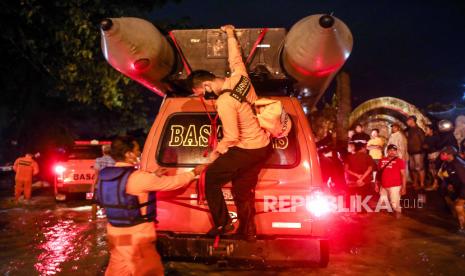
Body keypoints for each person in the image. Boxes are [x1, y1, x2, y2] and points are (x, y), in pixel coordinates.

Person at [186, 24, 272, 240]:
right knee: (242, 189)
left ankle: (223, 225)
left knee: (212, 179)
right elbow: (236, 59)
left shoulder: (224, 101)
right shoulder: (241, 78)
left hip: (248, 148)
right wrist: (231, 34)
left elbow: (232, 137)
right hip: (263, 146)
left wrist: (212, 157)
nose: (204, 97)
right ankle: (248, 230)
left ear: (206, 84)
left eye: (201, 93)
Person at [99, 136, 206, 275]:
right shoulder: (139, 178)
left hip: (115, 233)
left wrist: (153, 175)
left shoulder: (106, 176)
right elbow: (173, 182)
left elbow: (133, 185)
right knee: (149, 271)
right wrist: (194, 173)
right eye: (137, 150)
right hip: (137, 235)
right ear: (128, 154)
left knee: (118, 269)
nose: (139, 153)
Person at [438, 146, 465, 235]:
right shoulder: (447, 163)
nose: (441, 155)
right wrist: (449, 184)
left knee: (458, 206)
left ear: (450, 155)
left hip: (463, 188)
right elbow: (446, 175)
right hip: (457, 188)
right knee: (454, 206)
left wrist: (461, 196)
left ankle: (463, 228)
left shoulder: (458, 164)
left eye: (444, 154)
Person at [376, 144, 407, 218]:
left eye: (394, 150)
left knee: (395, 203)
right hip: (383, 185)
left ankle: (397, 213)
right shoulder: (382, 160)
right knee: (383, 202)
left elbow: (403, 175)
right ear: (387, 151)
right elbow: (378, 174)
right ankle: (386, 216)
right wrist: (376, 184)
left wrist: (403, 187)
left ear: (396, 152)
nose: (392, 152)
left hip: (395, 186)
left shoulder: (400, 161)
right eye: (390, 150)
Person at [91, 144, 115, 219]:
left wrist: (92, 186)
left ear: (103, 151)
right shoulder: (114, 161)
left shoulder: (98, 160)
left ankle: (94, 218)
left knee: (94, 202)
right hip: (110, 185)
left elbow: (96, 174)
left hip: (99, 185)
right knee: (109, 203)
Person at [406, 115, 426, 190]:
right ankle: (415, 182)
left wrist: (422, 149)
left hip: (418, 152)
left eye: (408, 120)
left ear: (412, 120)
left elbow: (423, 140)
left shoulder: (418, 130)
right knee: (413, 168)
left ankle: (422, 183)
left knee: (420, 168)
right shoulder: (409, 130)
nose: (407, 122)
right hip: (411, 152)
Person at [423, 124, 440, 191]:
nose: (425, 130)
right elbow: (424, 146)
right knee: (432, 170)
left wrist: (428, 147)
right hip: (430, 155)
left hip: (435, 155)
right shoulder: (426, 137)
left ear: (431, 130)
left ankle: (436, 184)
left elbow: (436, 146)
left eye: (426, 129)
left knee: (435, 170)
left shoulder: (436, 137)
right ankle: (435, 184)